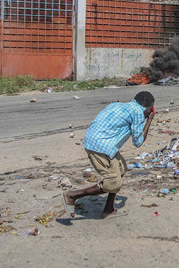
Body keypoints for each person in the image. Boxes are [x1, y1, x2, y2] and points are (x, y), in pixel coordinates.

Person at [63, 91, 156, 219]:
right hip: (101, 147)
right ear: (147, 107)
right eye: (151, 109)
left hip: (96, 141)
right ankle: (72, 195)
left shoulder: (118, 105)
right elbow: (138, 142)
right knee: (113, 182)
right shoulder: (139, 113)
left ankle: (108, 209)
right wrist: (149, 120)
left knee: (121, 168)